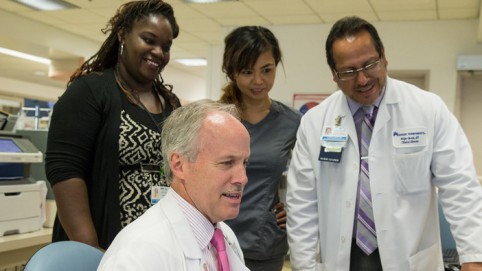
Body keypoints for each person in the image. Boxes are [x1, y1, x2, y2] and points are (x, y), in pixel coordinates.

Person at [286, 16, 482, 271]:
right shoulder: (314, 123)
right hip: (342, 258)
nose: (363, 79)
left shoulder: (428, 109)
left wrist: (473, 258)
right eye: (348, 72)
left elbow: (460, 187)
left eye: (369, 65)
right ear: (334, 75)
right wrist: (304, 266)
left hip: (410, 259)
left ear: (384, 57)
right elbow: (302, 203)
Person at [45, 0, 181, 250]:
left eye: (166, 46)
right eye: (149, 40)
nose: (159, 52)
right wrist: (93, 253)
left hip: (157, 248)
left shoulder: (171, 104)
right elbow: (65, 172)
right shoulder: (89, 92)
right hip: (105, 247)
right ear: (122, 34)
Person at [97, 100, 251, 270]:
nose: (242, 178)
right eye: (227, 163)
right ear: (179, 165)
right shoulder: (138, 253)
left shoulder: (224, 237)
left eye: (244, 163)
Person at [219, 26, 301, 271]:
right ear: (232, 72)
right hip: (217, 237)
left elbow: (310, 177)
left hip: (264, 243)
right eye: (247, 72)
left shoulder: (292, 122)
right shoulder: (215, 119)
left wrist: (292, 208)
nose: (258, 81)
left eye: (267, 70)